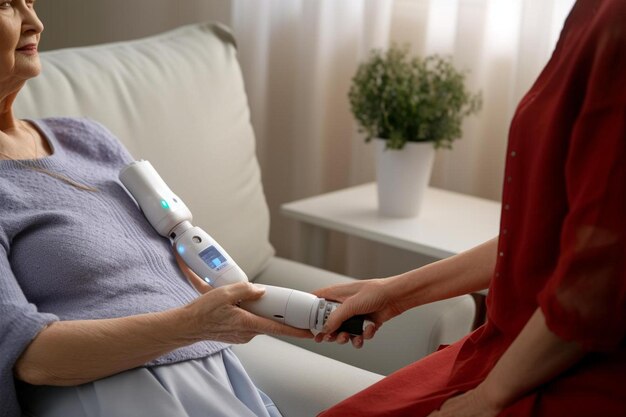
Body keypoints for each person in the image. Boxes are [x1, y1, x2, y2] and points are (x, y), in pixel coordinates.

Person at [314, 0, 626, 416]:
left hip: (565, 369)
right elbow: (543, 239)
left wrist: (487, 398)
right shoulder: (594, 11)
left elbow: (594, 284)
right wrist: (392, 294)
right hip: (508, 350)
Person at [0, 2, 311, 417]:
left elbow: (176, 273)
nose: (35, 23)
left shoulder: (87, 138)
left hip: (219, 375)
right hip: (112, 393)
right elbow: (30, 357)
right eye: (6, 5)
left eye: (31, 2)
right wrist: (195, 324)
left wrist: (306, 308)